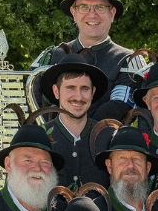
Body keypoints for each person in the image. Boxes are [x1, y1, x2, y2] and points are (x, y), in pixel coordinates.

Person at [33, 0, 145, 115]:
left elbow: (117, 110)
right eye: (84, 7)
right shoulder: (51, 56)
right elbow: (34, 106)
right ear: (74, 13)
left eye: (100, 7)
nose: (92, 14)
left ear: (112, 13)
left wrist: (77, 133)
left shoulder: (129, 61)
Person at [36, 57, 109, 191]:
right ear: (56, 91)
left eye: (85, 89)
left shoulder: (108, 136)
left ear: (93, 92)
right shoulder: (38, 137)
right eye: (71, 88)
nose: (78, 97)